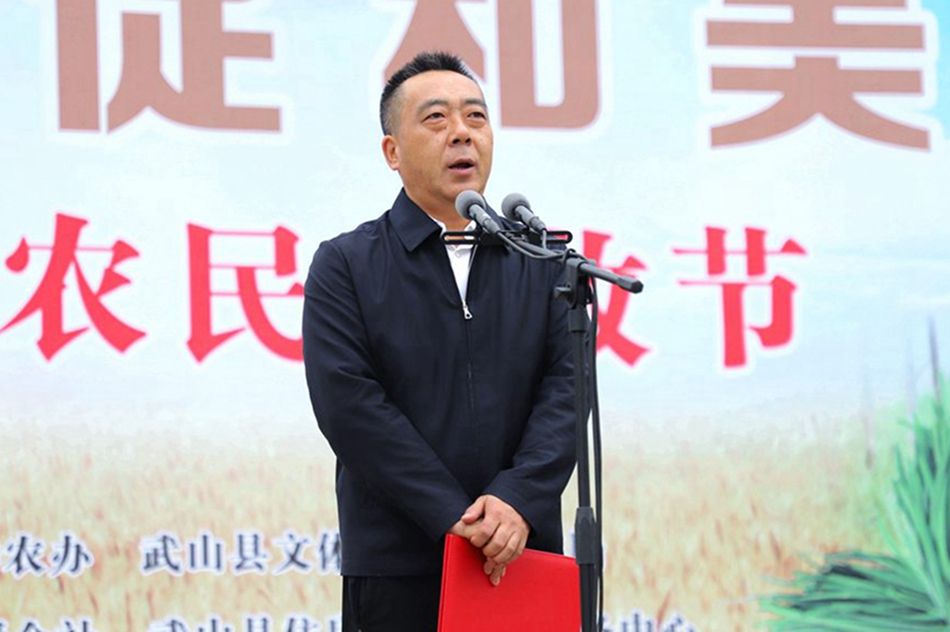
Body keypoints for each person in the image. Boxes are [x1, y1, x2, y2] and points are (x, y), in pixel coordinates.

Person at [302, 51, 576, 632]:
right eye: (436, 118)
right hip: (399, 563)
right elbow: (349, 407)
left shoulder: (544, 261)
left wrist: (517, 500)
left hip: (520, 555)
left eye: (476, 117)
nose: (462, 133)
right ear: (392, 152)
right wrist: (452, 515)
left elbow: (567, 394)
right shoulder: (347, 264)